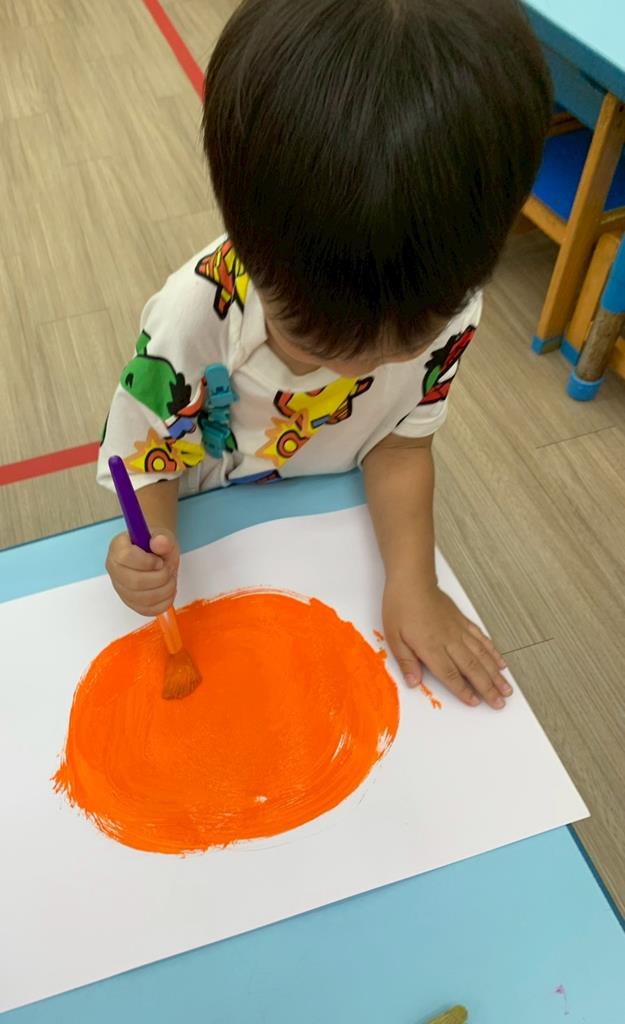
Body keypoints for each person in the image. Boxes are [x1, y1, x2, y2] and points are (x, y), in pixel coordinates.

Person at [99, 0, 551, 710]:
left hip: (327, 522)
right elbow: (145, 461)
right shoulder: (194, 319)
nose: (354, 374)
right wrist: (148, 544)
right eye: (312, 344)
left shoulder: (448, 299)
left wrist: (413, 581)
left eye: (400, 348)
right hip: (211, 516)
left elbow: (401, 444)